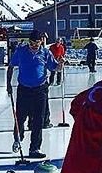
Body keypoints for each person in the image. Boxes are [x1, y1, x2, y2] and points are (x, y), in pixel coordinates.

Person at [7, 29, 62, 159]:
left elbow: (54, 67)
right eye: (32, 43)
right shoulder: (21, 51)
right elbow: (10, 66)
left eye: (36, 43)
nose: (34, 46)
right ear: (28, 42)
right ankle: (18, 138)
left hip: (40, 90)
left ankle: (35, 148)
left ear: (41, 42)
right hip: (24, 89)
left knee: (38, 120)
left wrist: (60, 64)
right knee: (20, 117)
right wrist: (8, 84)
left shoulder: (45, 52)